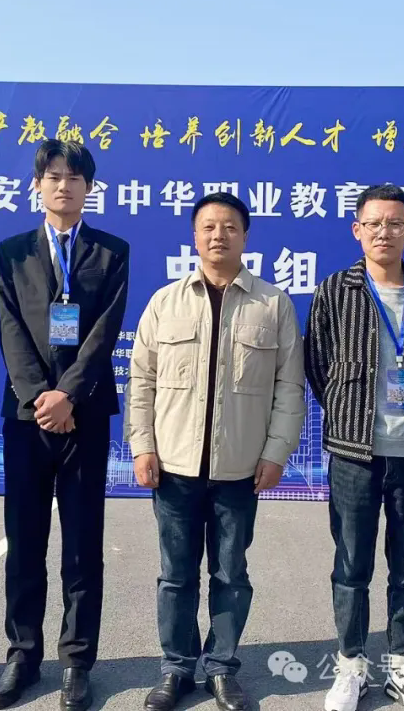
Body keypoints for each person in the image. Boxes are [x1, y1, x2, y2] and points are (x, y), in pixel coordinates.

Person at [125, 192, 305, 711]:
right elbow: (142, 381)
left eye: (229, 226)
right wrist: (142, 447)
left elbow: (289, 387)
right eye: (208, 226)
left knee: (230, 575)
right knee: (175, 576)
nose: (218, 235)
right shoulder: (166, 302)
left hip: (239, 469)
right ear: (194, 236)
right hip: (174, 468)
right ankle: (177, 668)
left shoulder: (272, 304)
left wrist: (276, 453)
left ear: (245, 236)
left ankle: (222, 667)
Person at [0, 139, 129, 711]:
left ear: (88, 187)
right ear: (37, 185)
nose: (63, 185)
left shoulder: (111, 251)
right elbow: (9, 328)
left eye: (74, 177)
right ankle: (22, 656)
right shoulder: (12, 251)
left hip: (85, 414)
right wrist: (39, 397)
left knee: (82, 544)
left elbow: (104, 332)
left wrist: (68, 394)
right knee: (24, 542)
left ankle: (76, 661)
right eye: (53, 175)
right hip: (26, 418)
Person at [304, 184, 404, 711]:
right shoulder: (334, 291)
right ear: (357, 230)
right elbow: (317, 363)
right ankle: (351, 665)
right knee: (351, 567)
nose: (384, 232)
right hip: (354, 455)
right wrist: (349, 415)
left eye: (395, 223)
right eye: (373, 223)